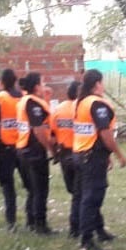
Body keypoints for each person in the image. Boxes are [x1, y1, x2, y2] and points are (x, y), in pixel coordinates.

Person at [73, 69, 126, 250]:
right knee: (92, 197)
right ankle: (87, 238)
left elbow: (91, 133)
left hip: (82, 154)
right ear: (96, 84)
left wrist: (107, 156)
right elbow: (105, 133)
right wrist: (119, 154)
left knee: (87, 195)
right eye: (102, 82)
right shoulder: (97, 104)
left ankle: (99, 230)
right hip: (91, 157)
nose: (103, 86)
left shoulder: (82, 102)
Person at [0, 69, 31, 231]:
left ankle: (11, 223)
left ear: (2, 82)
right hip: (23, 147)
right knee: (30, 185)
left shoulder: (0, 98)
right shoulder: (24, 97)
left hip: (5, 149)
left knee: (7, 186)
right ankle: (31, 219)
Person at [16, 73, 56, 234]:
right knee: (40, 189)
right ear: (36, 86)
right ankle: (40, 225)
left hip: (23, 149)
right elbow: (39, 129)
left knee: (32, 189)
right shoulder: (32, 103)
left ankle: (31, 221)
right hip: (34, 150)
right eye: (43, 82)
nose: (45, 85)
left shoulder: (25, 100)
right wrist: (50, 148)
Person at [51, 81, 80, 238]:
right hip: (79, 153)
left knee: (73, 190)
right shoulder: (81, 108)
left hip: (64, 154)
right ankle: (75, 227)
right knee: (79, 192)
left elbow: (53, 135)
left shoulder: (58, 109)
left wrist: (55, 153)